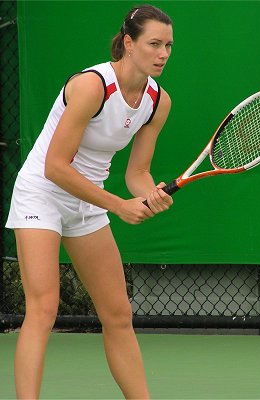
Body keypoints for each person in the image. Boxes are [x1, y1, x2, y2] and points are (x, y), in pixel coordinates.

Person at [5, 4, 174, 399]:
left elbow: (137, 173)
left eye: (168, 44)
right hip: (42, 194)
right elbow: (55, 167)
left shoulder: (157, 101)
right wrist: (118, 205)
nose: (163, 52)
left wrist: (149, 194)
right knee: (43, 310)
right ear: (128, 44)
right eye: (154, 43)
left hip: (88, 201)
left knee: (118, 314)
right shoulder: (91, 86)